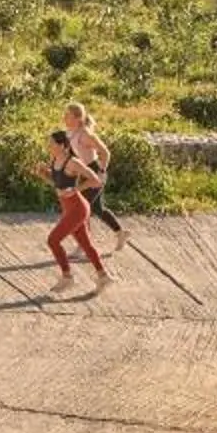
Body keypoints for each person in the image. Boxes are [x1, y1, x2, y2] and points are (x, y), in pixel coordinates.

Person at [43, 129, 110, 295]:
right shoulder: (55, 160)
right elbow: (57, 184)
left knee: (53, 240)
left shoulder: (73, 162)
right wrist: (43, 175)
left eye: (51, 143)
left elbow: (95, 180)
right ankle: (104, 277)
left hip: (78, 208)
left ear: (63, 145)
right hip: (69, 208)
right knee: (86, 245)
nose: (49, 146)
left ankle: (67, 277)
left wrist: (76, 189)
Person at [63, 101, 127, 253]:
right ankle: (121, 233)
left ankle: (83, 245)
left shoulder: (85, 134)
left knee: (81, 208)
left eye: (68, 115)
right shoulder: (70, 133)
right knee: (98, 208)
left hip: (95, 172)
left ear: (78, 119)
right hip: (84, 173)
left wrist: (102, 172)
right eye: (65, 114)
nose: (64, 117)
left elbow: (105, 152)